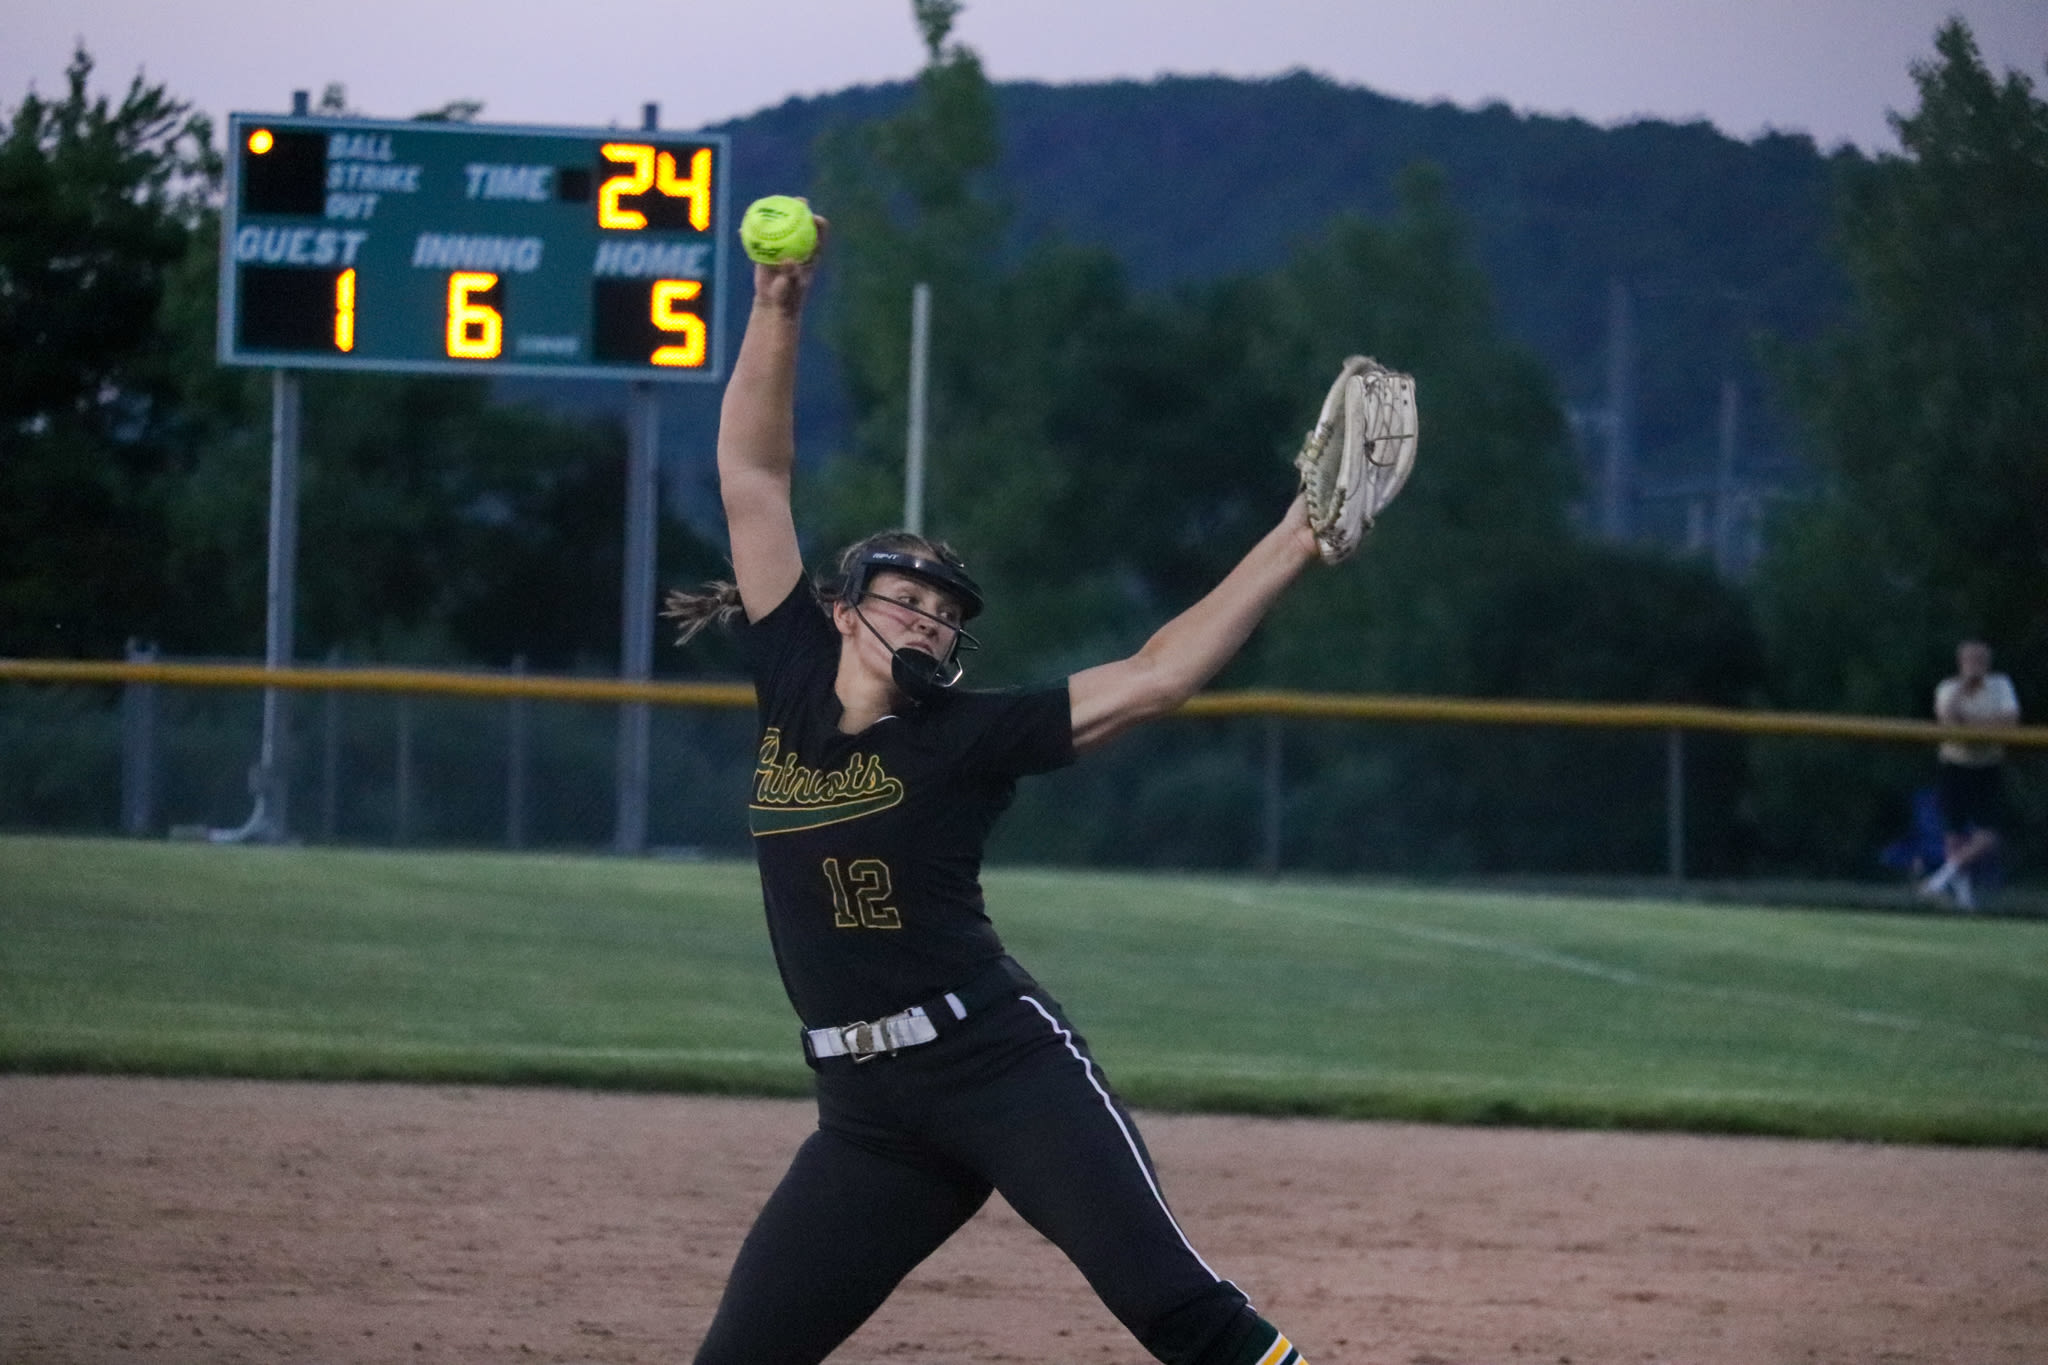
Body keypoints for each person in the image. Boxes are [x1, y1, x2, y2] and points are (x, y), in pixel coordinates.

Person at [662, 216, 1320, 1365]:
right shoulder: (791, 676)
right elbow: (752, 474)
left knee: (1179, 1313)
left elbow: (1157, 672)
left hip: (1000, 1070)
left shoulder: (967, 736)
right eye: (905, 598)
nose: (925, 619)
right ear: (837, 609)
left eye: (944, 614)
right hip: (866, 1118)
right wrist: (777, 305)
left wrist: (1296, 535)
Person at [1918, 640, 2021, 911]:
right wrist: (1965, 692)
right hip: (1954, 765)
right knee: (1954, 835)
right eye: (1969, 660)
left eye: (1980, 660)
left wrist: (1972, 726)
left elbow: (2010, 721)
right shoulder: (1948, 688)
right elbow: (1948, 721)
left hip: (1988, 767)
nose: (1975, 665)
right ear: (1960, 662)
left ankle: (1939, 881)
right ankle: (1963, 900)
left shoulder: (2001, 685)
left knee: (1988, 837)